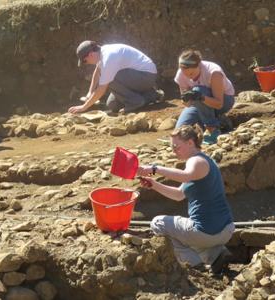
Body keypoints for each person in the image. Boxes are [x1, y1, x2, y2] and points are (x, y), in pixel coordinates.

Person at [137, 124, 235, 273]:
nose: (174, 151)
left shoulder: (196, 161)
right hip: (225, 230)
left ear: (190, 143)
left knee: (158, 223)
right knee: (186, 237)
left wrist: (154, 169)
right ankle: (216, 255)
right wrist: (154, 185)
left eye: (176, 146)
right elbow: (178, 195)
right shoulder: (203, 163)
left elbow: (185, 176)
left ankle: (195, 265)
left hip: (205, 231)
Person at [68, 41, 161, 114]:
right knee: (112, 105)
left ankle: (135, 102)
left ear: (90, 55)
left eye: (85, 61)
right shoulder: (102, 53)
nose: (86, 63)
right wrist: (90, 92)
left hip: (146, 76)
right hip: (138, 77)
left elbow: (101, 89)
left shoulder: (108, 58)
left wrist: (84, 107)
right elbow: (97, 71)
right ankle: (152, 95)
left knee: (110, 79)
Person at [174, 49, 235, 144]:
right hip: (199, 104)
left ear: (199, 65)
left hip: (224, 101)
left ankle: (212, 129)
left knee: (198, 90)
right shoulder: (181, 74)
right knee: (180, 132)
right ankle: (220, 121)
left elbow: (219, 103)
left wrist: (200, 97)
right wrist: (186, 99)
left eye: (191, 73)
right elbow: (187, 105)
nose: (189, 77)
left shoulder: (214, 72)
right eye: (186, 74)